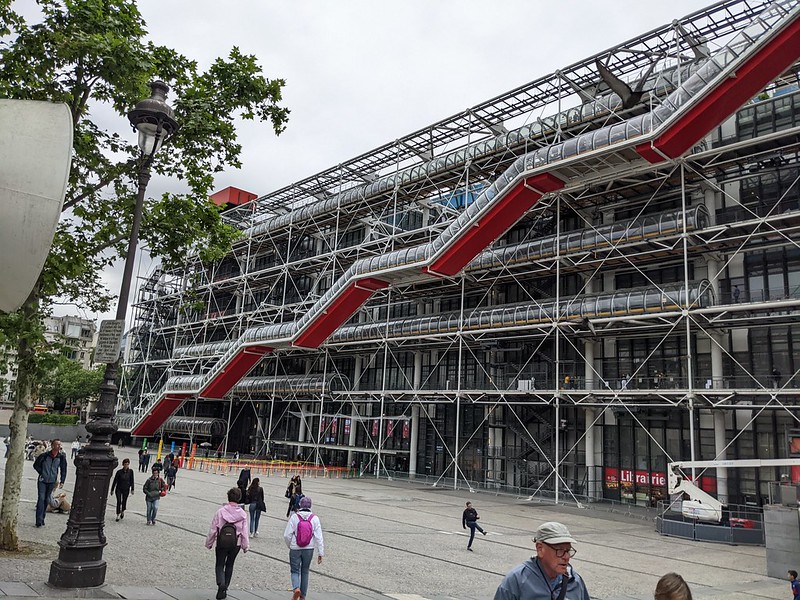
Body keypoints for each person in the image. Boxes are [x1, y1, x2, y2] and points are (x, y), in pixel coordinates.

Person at [493, 521, 590, 600]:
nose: (566, 557)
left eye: (568, 550)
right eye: (560, 550)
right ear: (540, 549)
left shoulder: (575, 581)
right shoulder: (517, 580)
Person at [205, 487, 249, 600]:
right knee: (230, 564)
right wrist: (245, 545)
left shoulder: (220, 512)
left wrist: (209, 543)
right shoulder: (243, 514)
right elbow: (244, 532)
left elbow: (213, 529)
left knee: (220, 564)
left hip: (222, 542)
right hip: (236, 543)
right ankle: (225, 587)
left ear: (228, 497)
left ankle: (221, 584)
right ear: (239, 498)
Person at [283, 495, 324, 600]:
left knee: (295, 570)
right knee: (305, 571)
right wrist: (320, 553)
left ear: (300, 505)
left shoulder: (294, 517)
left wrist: (290, 545)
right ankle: (303, 596)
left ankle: (296, 588)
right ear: (310, 506)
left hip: (295, 548)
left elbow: (287, 535)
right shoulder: (314, 518)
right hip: (309, 548)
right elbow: (319, 537)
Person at [32, 439, 67, 528]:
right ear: (52, 446)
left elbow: (63, 469)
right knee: (41, 498)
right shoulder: (44, 456)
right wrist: (41, 472)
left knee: (47, 499)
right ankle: (38, 520)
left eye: (60, 444)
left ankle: (42, 518)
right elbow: (35, 465)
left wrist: (62, 480)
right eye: (57, 444)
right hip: (42, 480)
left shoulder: (61, 457)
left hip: (52, 481)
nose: (59, 446)